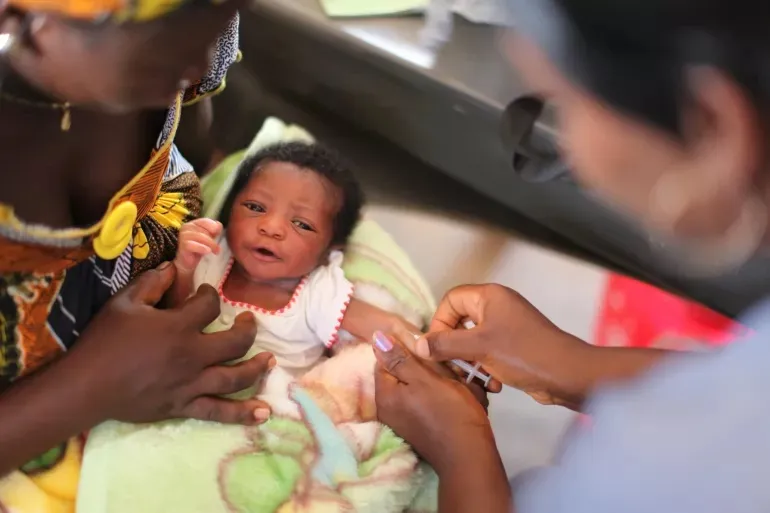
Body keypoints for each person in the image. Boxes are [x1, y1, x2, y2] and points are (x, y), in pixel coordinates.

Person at [372, 0, 770, 512]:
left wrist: (460, 449)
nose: (572, 151)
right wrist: (575, 366)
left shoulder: (659, 471)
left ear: (711, 123)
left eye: (567, 104)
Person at [0, 0, 275, 507]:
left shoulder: (180, 54)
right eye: (167, 42)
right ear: (26, 19)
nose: (199, 62)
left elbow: (194, 143)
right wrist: (93, 386)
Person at [169, 141, 419, 375]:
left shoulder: (318, 294)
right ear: (229, 210)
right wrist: (183, 267)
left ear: (329, 252)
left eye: (302, 224)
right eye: (255, 207)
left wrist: (431, 351)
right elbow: (169, 314)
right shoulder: (210, 252)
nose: (271, 227)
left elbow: (391, 327)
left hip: (272, 400)